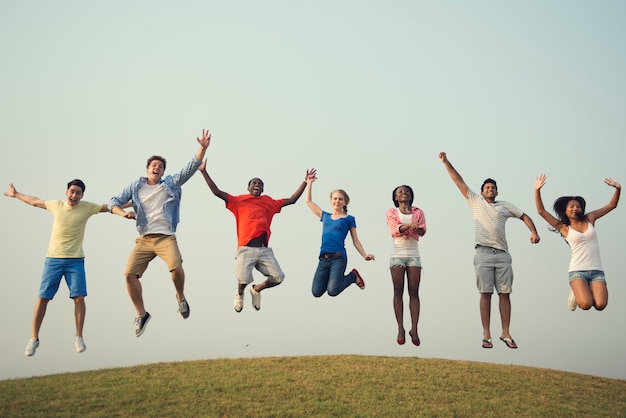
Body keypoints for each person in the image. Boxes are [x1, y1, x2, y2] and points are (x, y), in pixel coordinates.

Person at [5, 180, 132, 356]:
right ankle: (34, 338)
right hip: (53, 260)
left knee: (79, 298)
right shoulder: (56, 205)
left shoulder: (87, 207)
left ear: (82, 195)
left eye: (78, 193)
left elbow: (109, 207)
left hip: (75, 261)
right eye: (72, 191)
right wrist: (16, 194)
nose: (74, 195)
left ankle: (78, 337)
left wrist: (134, 201)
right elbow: (34, 201)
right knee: (43, 298)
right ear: (66, 192)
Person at [109, 129, 210, 337]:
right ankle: (141, 314)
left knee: (175, 269)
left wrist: (202, 147)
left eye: (160, 166)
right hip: (144, 239)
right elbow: (113, 202)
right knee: (129, 275)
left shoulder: (170, 184)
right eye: (154, 165)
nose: (157, 168)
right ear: (147, 169)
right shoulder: (136, 186)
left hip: (165, 237)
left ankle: (180, 297)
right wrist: (122, 214)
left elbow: (189, 169)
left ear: (163, 172)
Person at [439, 152, 540, 349]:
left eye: (493, 188)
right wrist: (446, 162)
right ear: (482, 191)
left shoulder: (505, 206)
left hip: (502, 254)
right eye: (487, 188)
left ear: (497, 191)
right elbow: (458, 181)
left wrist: (533, 232)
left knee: (505, 293)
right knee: (485, 293)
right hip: (483, 253)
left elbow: (524, 216)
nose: (490, 189)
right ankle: (486, 334)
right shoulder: (475, 201)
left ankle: (506, 333)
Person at [199, 156, 314, 312]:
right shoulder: (238, 201)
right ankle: (240, 294)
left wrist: (305, 182)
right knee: (242, 278)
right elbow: (216, 192)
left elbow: (292, 199)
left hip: (264, 249)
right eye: (254, 183)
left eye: (260, 184)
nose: (257, 185)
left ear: (263, 189)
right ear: (248, 187)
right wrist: (204, 171)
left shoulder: (269, 202)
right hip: (245, 248)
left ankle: (257, 289)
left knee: (278, 277)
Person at [534, 174, 620, 311]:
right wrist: (537, 190)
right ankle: (575, 290)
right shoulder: (564, 228)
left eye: (578, 206)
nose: (575, 208)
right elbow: (541, 211)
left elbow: (612, 205)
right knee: (585, 305)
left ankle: (586, 288)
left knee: (600, 305)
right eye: (571, 206)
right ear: (565, 211)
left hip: (597, 271)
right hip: (578, 271)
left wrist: (618, 189)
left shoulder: (590, 219)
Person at [304, 171, 375, 298]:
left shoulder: (349, 219)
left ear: (345, 202)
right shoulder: (325, 216)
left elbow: (356, 241)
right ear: (331, 201)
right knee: (316, 292)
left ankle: (353, 276)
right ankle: (333, 279)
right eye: (335, 198)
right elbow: (309, 202)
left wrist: (364, 255)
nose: (337, 201)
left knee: (333, 291)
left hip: (338, 258)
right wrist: (309, 183)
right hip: (323, 259)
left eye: (340, 199)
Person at [386, 185, 426, 346]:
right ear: (395, 198)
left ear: (411, 195)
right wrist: (411, 227)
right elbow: (395, 230)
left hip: (413, 255)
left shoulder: (418, 212)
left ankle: (414, 328)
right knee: (398, 291)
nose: (404, 193)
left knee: (414, 291)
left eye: (407, 191)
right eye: (400, 192)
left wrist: (416, 229)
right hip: (398, 255)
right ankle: (400, 328)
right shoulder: (392, 212)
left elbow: (422, 231)